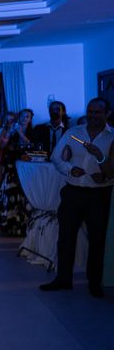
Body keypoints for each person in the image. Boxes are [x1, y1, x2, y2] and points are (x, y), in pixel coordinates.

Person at [41, 98, 114, 298]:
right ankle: (63, 279)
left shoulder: (112, 136)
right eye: (90, 111)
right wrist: (70, 168)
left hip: (99, 195)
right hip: (73, 192)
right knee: (65, 238)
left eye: (97, 112)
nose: (92, 115)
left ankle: (94, 283)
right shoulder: (74, 133)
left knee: (97, 240)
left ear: (107, 114)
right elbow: (56, 157)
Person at [0, 108, 35, 236]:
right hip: (11, 167)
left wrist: (20, 133)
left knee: (24, 196)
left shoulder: (33, 131)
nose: (24, 119)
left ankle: (23, 225)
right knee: (9, 195)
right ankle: (9, 224)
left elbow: (31, 146)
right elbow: (2, 145)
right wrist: (8, 131)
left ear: (30, 119)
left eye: (27, 117)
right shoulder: (13, 129)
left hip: (26, 168)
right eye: (22, 116)